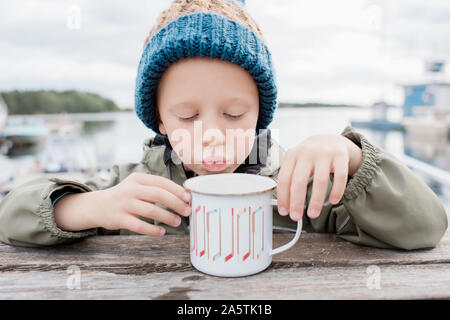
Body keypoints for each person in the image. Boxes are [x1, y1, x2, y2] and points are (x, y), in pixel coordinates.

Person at [0, 0, 447, 250]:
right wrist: (86, 208)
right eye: (187, 116)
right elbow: (12, 215)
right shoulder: (128, 188)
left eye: (234, 115)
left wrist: (353, 159)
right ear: (158, 117)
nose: (211, 132)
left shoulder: (303, 188)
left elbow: (424, 228)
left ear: (259, 113)